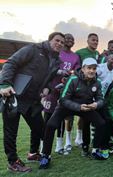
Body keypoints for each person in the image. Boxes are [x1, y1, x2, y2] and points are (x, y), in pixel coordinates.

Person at [0, 32, 65, 172]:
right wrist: (4, 84)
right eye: (57, 40)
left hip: (33, 100)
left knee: (41, 129)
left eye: (62, 42)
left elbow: (50, 79)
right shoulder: (32, 49)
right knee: (11, 132)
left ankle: (33, 153)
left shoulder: (56, 61)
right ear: (49, 40)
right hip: (14, 95)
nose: (59, 44)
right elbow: (11, 63)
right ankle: (13, 162)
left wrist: (47, 88)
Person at [39, 58, 107, 169]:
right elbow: (63, 99)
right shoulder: (73, 79)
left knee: (101, 123)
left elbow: (101, 99)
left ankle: (96, 150)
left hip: (86, 106)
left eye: (94, 68)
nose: (91, 71)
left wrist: (96, 105)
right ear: (83, 69)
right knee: (51, 125)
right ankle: (46, 155)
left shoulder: (97, 82)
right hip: (66, 106)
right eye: (89, 68)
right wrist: (78, 107)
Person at [42, 33, 80, 155]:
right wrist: (61, 72)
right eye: (67, 39)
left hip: (66, 91)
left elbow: (77, 72)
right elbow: (48, 68)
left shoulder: (75, 56)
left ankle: (59, 145)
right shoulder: (55, 53)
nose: (69, 40)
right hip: (52, 90)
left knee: (62, 118)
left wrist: (70, 75)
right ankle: (44, 147)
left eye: (72, 39)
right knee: (48, 118)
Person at [74, 33, 100, 147]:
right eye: (93, 40)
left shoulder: (97, 53)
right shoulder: (79, 52)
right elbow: (76, 68)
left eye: (97, 40)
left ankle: (91, 137)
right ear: (87, 41)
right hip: (81, 84)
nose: (95, 42)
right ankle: (78, 137)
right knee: (81, 113)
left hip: (93, 84)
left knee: (90, 111)